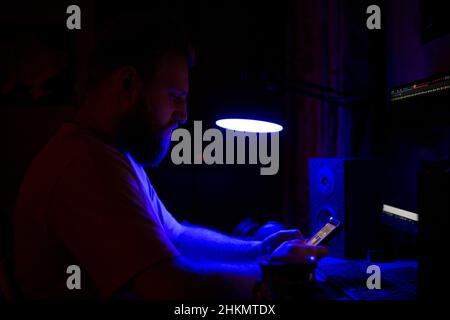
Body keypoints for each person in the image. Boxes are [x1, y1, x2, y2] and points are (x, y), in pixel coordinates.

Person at [13, 15, 327, 300]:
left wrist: (262, 251)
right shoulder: (83, 165)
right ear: (127, 85)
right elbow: (167, 285)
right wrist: (272, 276)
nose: (183, 115)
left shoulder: (112, 153)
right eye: (175, 97)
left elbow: (176, 236)